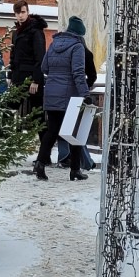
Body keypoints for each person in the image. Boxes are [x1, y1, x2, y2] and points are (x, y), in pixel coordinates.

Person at [34, 15, 92, 181]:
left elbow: (44, 67)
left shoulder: (53, 44)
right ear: (80, 34)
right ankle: (75, 170)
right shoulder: (77, 46)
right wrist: (85, 94)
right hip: (70, 96)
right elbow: (78, 73)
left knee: (52, 131)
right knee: (73, 132)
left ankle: (40, 163)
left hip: (51, 92)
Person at [56, 44, 97, 169]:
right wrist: (85, 89)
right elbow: (92, 75)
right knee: (76, 130)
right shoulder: (85, 53)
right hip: (76, 95)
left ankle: (64, 156)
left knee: (62, 126)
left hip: (58, 92)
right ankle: (84, 162)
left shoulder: (58, 50)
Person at [8, 0, 47, 118]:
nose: (20, 15)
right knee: (9, 110)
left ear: (28, 12)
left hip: (31, 79)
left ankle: (43, 136)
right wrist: (10, 75)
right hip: (18, 77)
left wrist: (36, 80)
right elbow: (13, 55)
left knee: (37, 114)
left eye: (23, 12)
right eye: (17, 13)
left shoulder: (36, 32)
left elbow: (40, 57)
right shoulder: (16, 32)